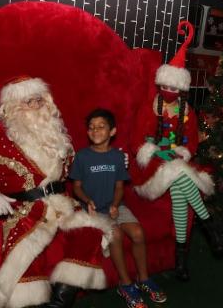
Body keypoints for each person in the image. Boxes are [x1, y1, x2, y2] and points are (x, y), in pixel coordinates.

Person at [0, 76, 113, 308]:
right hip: (24, 210)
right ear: (12, 107)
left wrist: (108, 157)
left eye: (39, 100)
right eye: (29, 102)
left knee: (91, 231)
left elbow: (76, 170)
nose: (36, 106)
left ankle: (59, 302)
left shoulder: (56, 134)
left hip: (62, 204)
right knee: (28, 246)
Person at [129, 21, 223, 281]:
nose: (170, 92)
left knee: (181, 190)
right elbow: (136, 139)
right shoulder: (149, 107)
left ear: (181, 89)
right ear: (160, 84)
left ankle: (180, 264)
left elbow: (191, 142)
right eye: (166, 87)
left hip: (175, 163)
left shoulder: (187, 112)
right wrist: (155, 152)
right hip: (148, 168)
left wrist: (182, 151)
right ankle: (209, 225)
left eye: (175, 88)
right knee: (181, 176)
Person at [70, 108, 167, 308]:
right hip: (93, 210)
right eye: (91, 127)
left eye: (101, 126)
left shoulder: (116, 156)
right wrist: (87, 200)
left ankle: (144, 278)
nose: (95, 130)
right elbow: (76, 186)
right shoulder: (82, 157)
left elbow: (120, 187)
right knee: (115, 235)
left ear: (112, 131)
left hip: (115, 205)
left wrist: (115, 205)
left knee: (138, 233)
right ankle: (125, 284)